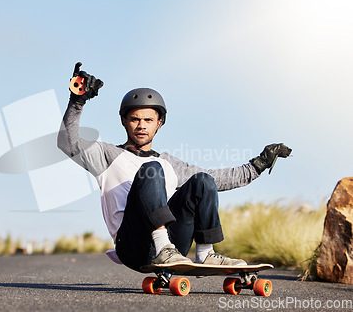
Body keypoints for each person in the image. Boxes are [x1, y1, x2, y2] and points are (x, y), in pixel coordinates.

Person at [57, 63, 292, 272]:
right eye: (135, 119)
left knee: (201, 180)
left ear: (159, 123)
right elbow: (67, 143)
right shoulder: (107, 155)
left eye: (148, 120)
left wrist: (258, 164)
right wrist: (77, 101)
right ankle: (162, 247)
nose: (141, 126)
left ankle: (205, 253)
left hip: (175, 245)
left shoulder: (168, 163)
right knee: (152, 169)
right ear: (124, 121)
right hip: (133, 246)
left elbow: (215, 179)